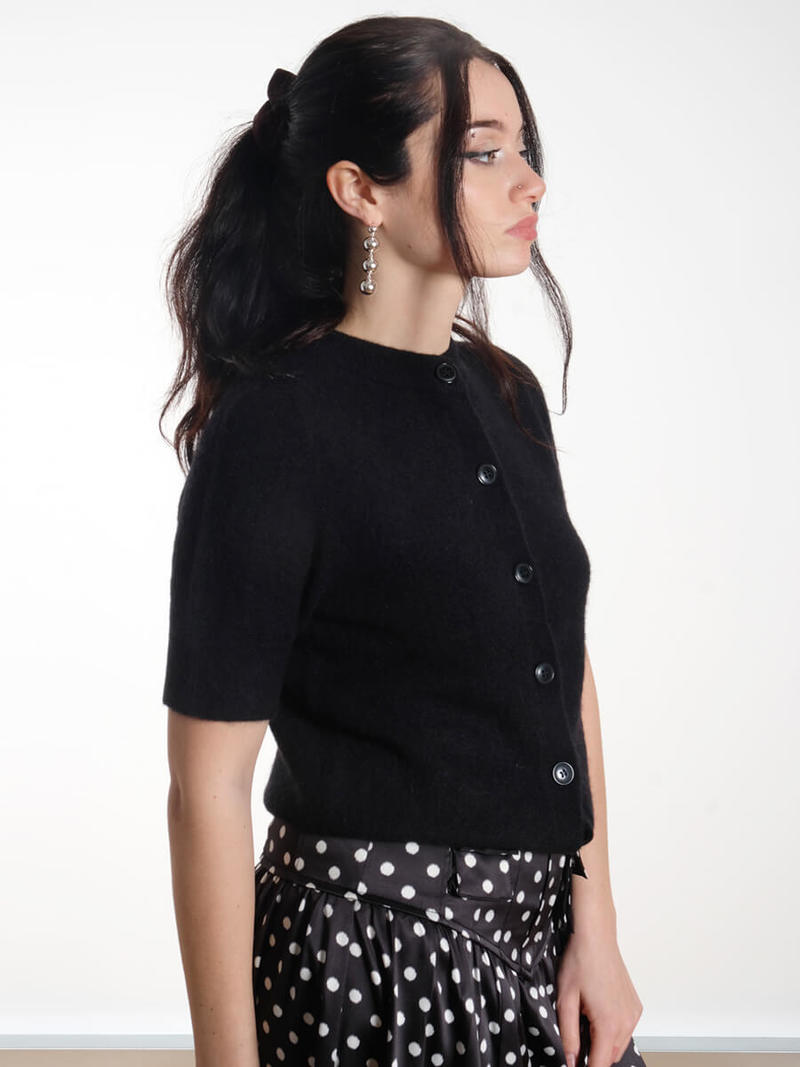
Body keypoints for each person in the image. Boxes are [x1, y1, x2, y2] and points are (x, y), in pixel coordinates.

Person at [160, 15, 646, 1067]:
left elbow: (560, 668)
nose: (529, 182)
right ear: (360, 191)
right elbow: (206, 787)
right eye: (482, 153)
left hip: (537, 942)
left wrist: (595, 921)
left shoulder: (507, 394)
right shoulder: (276, 427)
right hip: (370, 960)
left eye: (524, 148)